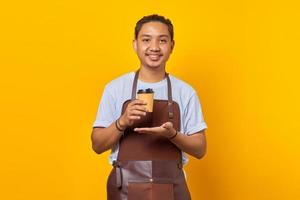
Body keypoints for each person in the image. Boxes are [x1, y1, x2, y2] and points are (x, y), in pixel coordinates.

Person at [91, 14, 207, 200]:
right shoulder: (115, 88)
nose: (154, 47)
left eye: (162, 40)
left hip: (172, 189)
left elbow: (200, 149)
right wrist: (122, 122)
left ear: (171, 46)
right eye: (146, 40)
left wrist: (172, 135)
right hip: (124, 189)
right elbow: (97, 145)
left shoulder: (185, 92)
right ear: (135, 44)